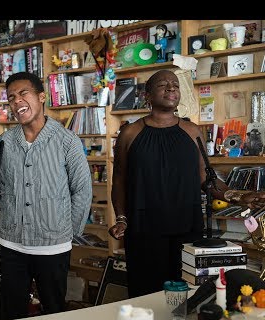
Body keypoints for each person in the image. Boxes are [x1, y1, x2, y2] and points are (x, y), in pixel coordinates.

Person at [108, 69, 265, 298]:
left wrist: (237, 195)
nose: (171, 88)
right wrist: (121, 218)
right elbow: (119, 180)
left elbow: (206, 179)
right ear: (147, 96)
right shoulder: (130, 133)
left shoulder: (192, 131)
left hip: (186, 227)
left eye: (175, 84)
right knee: (145, 293)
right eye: (163, 84)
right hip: (144, 230)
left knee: (187, 293)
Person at [0, 72, 92, 320]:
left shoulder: (67, 141)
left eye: (23, 93)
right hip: (11, 244)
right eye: (11, 98)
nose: (16, 101)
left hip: (53, 246)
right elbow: (2, 187)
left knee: (54, 312)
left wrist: (66, 233)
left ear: (41, 97)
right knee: (11, 312)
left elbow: (82, 190)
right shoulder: (4, 142)